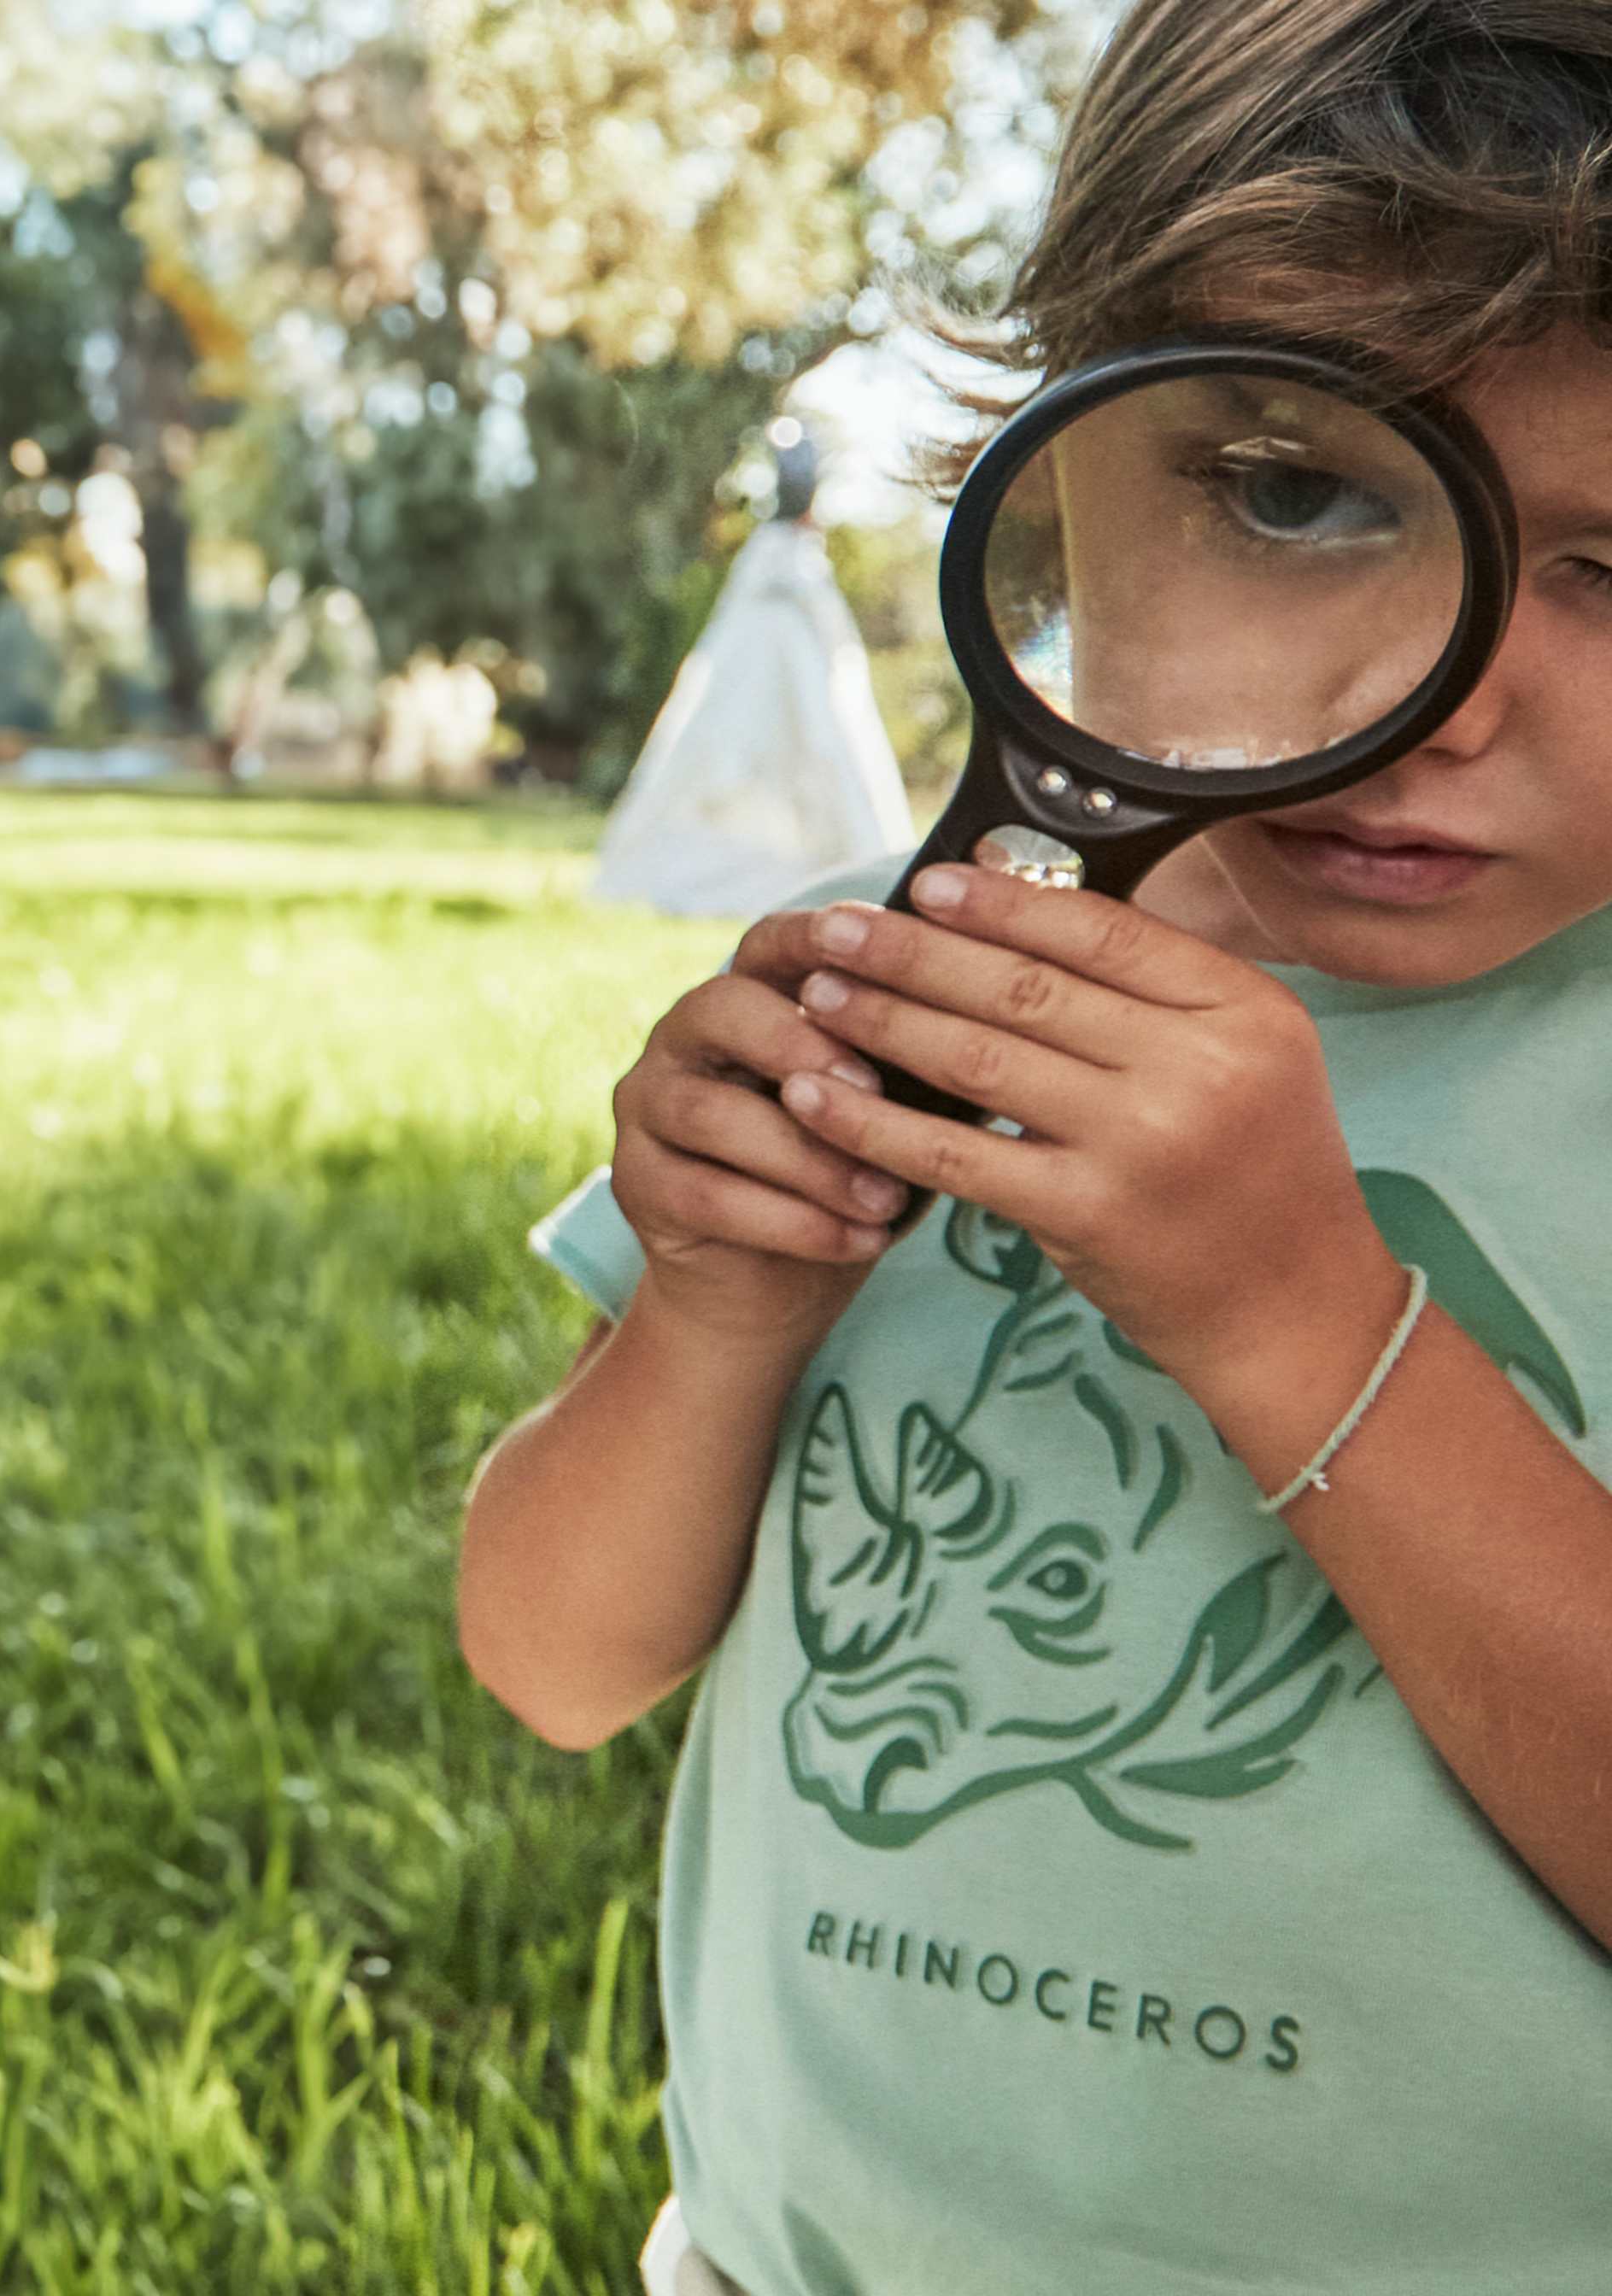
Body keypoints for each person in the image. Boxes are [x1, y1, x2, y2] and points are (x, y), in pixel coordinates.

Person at [460, 3, 1612, 2287]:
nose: (1452, 688)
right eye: (1298, 491)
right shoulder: (957, 965)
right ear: (1063, 453)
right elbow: (557, 1663)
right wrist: (709, 1312)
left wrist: (1306, 1322)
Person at [589, 425, 915, 918]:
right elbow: (831, 636)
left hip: (771, 670)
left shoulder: (768, 563)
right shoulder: (791, 564)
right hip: (777, 671)